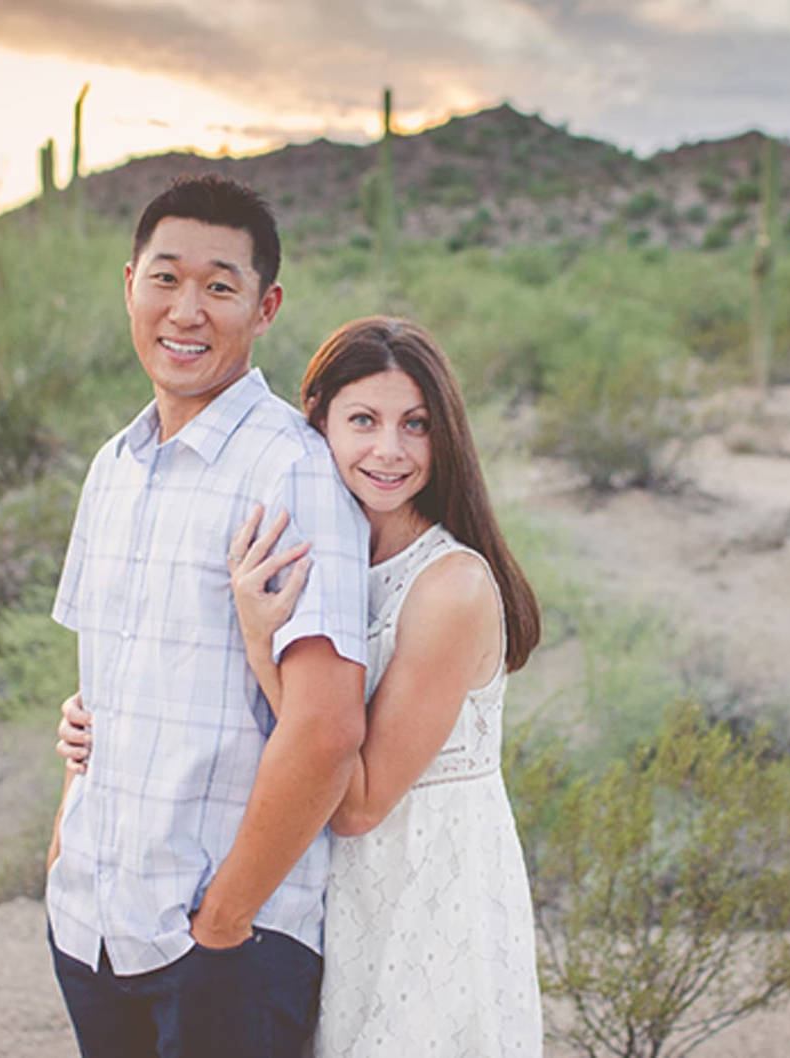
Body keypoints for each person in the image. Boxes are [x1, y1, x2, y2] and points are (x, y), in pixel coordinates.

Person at [60, 316, 546, 1056]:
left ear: (445, 436)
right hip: (326, 893)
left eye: (415, 425)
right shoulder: (313, 552)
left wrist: (261, 643)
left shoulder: (450, 588)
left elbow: (354, 803)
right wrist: (92, 723)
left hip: (425, 894)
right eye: (363, 421)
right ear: (313, 422)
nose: (389, 450)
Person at [44, 173, 372, 1058]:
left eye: (218, 286)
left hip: (222, 944)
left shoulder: (289, 472)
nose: (186, 310)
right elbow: (98, 683)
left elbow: (328, 726)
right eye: (166, 278)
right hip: (93, 925)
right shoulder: (113, 467)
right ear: (129, 286)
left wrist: (226, 917)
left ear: (264, 307)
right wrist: (62, 854)